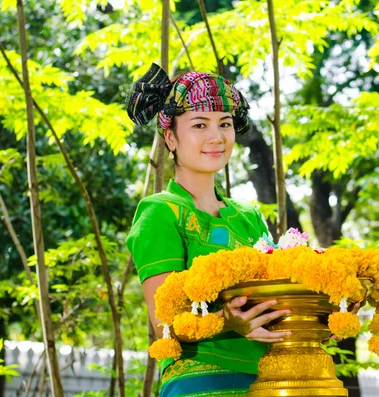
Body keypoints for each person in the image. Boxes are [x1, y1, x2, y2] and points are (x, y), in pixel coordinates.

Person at [124, 63, 291, 397]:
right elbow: (165, 325)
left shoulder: (249, 215)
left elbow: (277, 298)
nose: (217, 137)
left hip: (270, 382)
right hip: (200, 384)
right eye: (200, 124)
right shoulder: (160, 212)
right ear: (170, 137)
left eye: (225, 124)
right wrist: (227, 321)